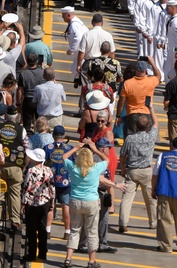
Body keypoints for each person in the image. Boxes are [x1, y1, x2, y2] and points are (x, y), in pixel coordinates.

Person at [60, 140, 123, 268]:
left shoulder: (73, 167)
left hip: (75, 201)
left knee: (75, 230)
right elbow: (107, 160)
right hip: (91, 202)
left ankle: (68, 258)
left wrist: (76, 147)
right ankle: (91, 261)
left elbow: (64, 157)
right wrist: (95, 150)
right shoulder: (95, 168)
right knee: (92, 231)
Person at [117, 110, 158, 233]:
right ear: (147, 126)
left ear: (136, 124)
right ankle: (153, 222)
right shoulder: (151, 136)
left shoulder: (130, 138)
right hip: (146, 171)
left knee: (127, 199)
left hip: (132, 171)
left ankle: (123, 223)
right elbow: (156, 122)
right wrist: (151, 108)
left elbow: (123, 155)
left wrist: (123, 169)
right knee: (150, 199)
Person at [152, 135, 177, 254]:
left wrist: (153, 189)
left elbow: (155, 175)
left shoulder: (162, 156)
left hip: (164, 191)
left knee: (164, 219)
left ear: (172, 145)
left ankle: (166, 245)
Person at [21, 148, 53, 263]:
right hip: (45, 201)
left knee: (31, 229)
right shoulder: (48, 170)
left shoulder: (31, 170)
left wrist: (23, 203)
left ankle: (32, 253)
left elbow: (27, 187)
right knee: (42, 227)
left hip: (31, 202)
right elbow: (52, 187)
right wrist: (52, 202)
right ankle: (43, 253)